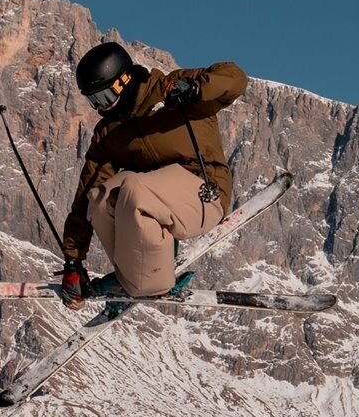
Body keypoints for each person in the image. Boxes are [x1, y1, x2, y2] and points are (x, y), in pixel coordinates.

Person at [59, 41, 247, 304]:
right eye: (93, 101)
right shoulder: (110, 132)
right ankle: (134, 277)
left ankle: (151, 281)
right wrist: (73, 261)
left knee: (134, 187)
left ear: (123, 80)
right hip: (152, 198)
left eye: (104, 97)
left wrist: (194, 89)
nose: (101, 107)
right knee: (100, 198)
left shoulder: (171, 90)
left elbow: (235, 78)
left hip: (203, 193)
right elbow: (84, 197)